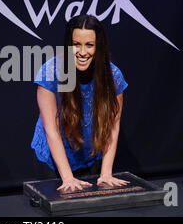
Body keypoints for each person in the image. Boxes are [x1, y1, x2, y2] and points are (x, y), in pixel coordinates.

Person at [31, 14, 130, 192]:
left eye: (89, 45)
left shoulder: (113, 76)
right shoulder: (49, 73)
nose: (82, 52)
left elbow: (113, 127)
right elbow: (51, 131)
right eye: (76, 44)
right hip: (54, 162)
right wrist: (68, 178)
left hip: (91, 156)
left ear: (98, 47)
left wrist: (106, 173)